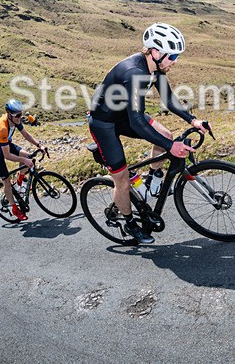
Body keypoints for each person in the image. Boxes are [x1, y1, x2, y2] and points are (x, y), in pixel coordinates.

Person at [88, 22, 207, 244]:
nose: (175, 61)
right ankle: (131, 224)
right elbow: (137, 121)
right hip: (104, 124)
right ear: (156, 52)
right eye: (172, 56)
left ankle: (153, 180)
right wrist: (172, 148)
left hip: (124, 115)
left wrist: (193, 119)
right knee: (122, 180)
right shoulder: (135, 73)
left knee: (166, 135)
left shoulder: (156, 67)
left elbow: (168, 99)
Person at [0, 99, 46, 221]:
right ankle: (14, 208)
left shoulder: (15, 119)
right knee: (6, 181)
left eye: (21, 114)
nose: (19, 117)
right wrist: (23, 161)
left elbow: (26, 135)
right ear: (8, 114)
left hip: (5, 144)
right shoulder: (2, 127)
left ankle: (18, 183)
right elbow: (7, 156)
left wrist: (39, 146)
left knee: (28, 156)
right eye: (17, 115)